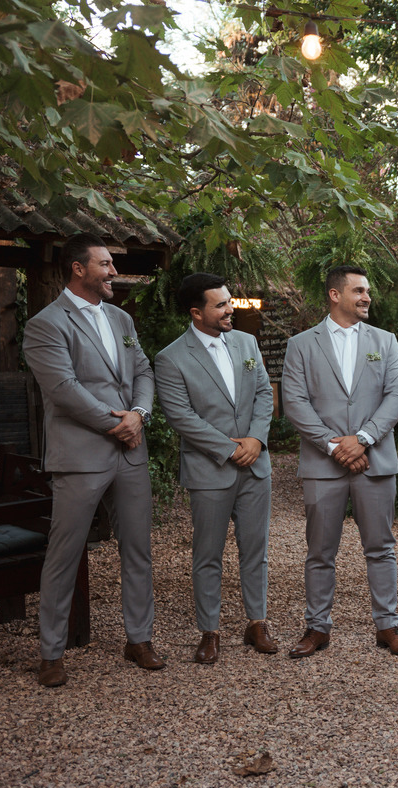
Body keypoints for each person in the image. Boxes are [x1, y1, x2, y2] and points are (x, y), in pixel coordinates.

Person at [23, 233, 162, 687]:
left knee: (138, 549)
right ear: (78, 268)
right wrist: (114, 424)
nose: (113, 272)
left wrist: (138, 415)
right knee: (64, 554)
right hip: (81, 455)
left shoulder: (121, 318)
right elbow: (63, 389)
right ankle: (51, 653)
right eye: (105, 264)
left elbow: (143, 371)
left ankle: (139, 639)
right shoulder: (46, 324)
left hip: (130, 451)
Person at [280, 265, 398, 658]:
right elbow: (294, 402)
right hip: (322, 464)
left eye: (367, 291)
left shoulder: (385, 341)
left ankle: (387, 626)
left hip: (375, 460)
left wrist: (364, 439)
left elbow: (397, 396)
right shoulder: (301, 345)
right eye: (358, 290)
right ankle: (317, 628)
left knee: (381, 547)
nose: (366, 297)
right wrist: (334, 447)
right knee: (320, 551)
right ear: (335, 295)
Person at [154, 273, 278, 664]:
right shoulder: (171, 358)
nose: (230, 310)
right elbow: (181, 417)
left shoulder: (247, 343)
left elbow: (264, 393)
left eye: (229, 301)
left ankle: (257, 622)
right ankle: (210, 631)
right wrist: (229, 449)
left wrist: (256, 439)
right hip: (209, 470)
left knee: (256, 549)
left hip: (256, 466)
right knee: (208, 554)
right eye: (221, 304)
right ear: (196, 312)